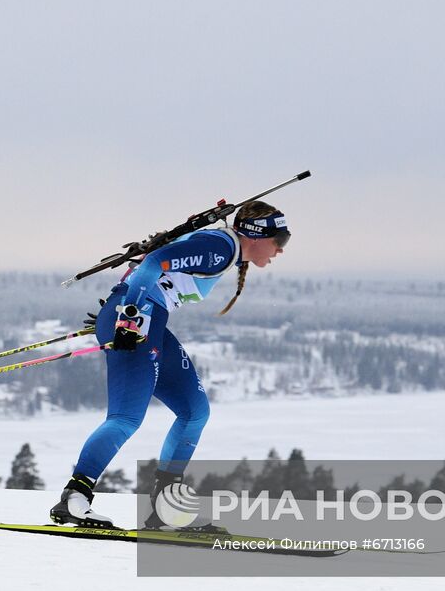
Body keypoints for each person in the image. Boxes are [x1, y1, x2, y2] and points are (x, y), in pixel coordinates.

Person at [49, 200, 292, 529]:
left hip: (150, 321)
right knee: (125, 418)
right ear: (257, 234)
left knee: (195, 411)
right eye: (280, 239)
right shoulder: (219, 248)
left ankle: (166, 510)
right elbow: (152, 263)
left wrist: (122, 307)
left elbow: (150, 268)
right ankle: (75, 499)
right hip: (139, 320)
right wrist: (128, 314)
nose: (280, 249)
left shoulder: (223, 249)